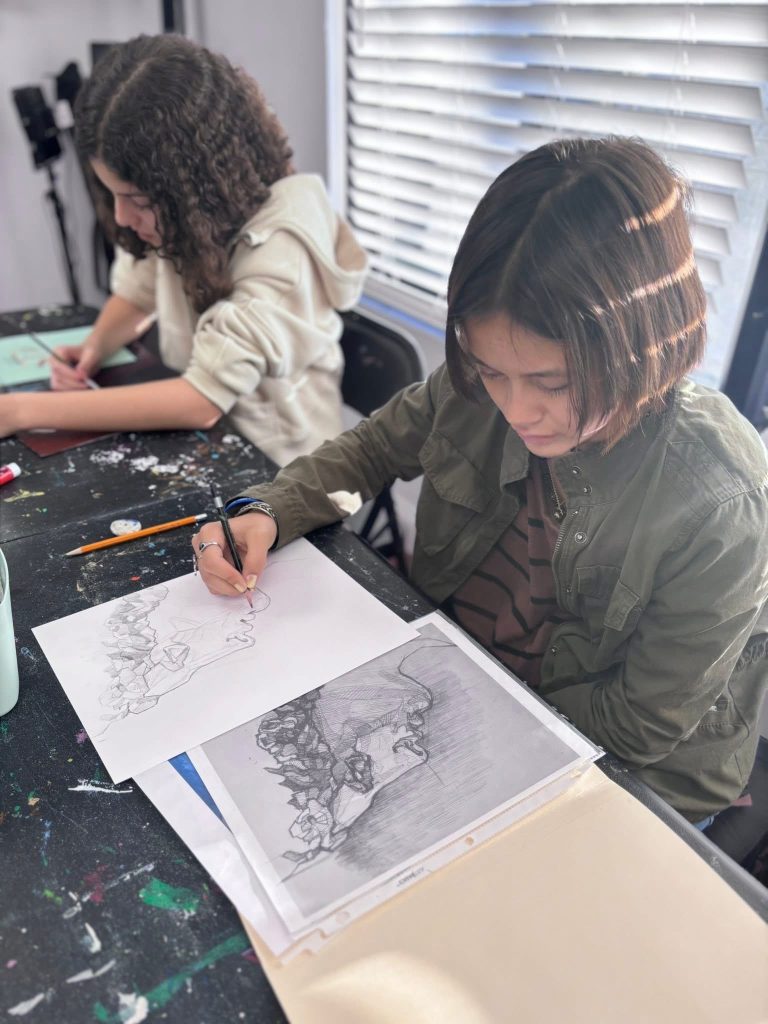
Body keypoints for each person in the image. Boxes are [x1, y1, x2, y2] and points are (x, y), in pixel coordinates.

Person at [192, 136, 768, 826]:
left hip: (631, 778)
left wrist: (451, 696)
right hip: (459, 688)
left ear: (649, 342)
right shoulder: (477, 389)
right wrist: (270, 511)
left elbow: (635, 728)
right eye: (492, 372)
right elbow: (371, 449)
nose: (516, 410)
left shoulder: (720, 503)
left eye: (551, 383)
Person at [0, 34, 367, 465]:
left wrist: (19, 411)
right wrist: (96, 346)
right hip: (213, 443)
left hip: (285, 470)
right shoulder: (186, 217)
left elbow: (200, 400)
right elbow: (140, 291)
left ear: (194, 187)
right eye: (112, 194)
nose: (120, 217)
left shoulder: (283, 251)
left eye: (136, 200)